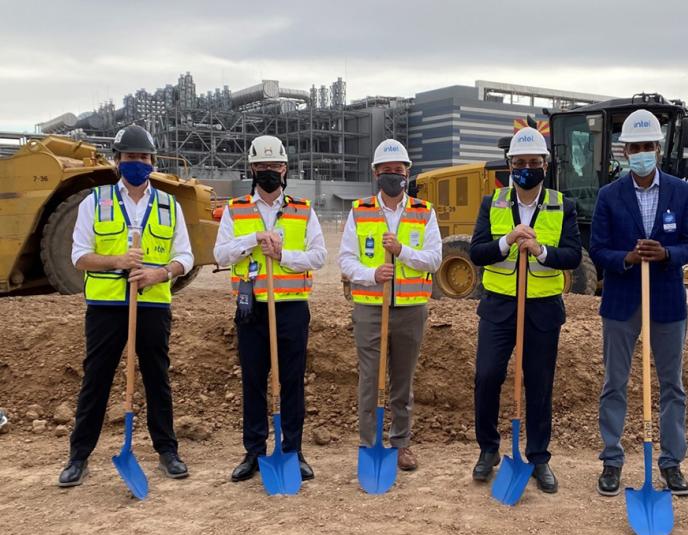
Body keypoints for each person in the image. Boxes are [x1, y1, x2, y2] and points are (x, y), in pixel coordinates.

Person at [60, 125, 193, 487]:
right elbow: (79, 256)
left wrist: (160, 273)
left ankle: (167, 451)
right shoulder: (95, 201)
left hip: (152, 305)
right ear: (117, 161)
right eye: (131, 157)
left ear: (153, 161)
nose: (139, 163)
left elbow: (185, 256)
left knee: (157, 378)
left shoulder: (168, 205)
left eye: (144, 157)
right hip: (106, 306)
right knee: (96, 379)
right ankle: (78, 456)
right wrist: (118, 260)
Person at [589, 109, 688, 497]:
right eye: (634, 148)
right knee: (614, 383)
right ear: (624, 152)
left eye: (647, 146)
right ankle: (612, 460)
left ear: (658, 148)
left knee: (672, 385)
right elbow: (597, 249)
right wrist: (628, 258)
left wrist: (666, 254)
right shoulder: (609, 196)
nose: (641, 153)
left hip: (667, 301)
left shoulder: (681, 192)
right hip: (622, 301)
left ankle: (671, 463)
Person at [469, 127, 582, 494]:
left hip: (543, 309)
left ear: (545, 166)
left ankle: (538, 457)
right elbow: (477, 252)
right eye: (520, 163)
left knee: (539, 383)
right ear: (510, 166)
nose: (527, 168)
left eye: (534, 162)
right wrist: (507, 241)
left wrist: (541, 252)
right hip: (499, 307)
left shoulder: (563, 205)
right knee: (487, 376)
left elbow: (573, 256)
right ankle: (488, 449)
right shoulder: (493, 203)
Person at [214, 135, 326, 483]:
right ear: (252, 169)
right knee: (253, 380)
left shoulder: (303, 210)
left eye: (274, 166)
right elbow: (220, 254)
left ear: (284, 169)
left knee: (292, 381)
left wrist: (282, 255)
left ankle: (292, 450)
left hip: (291, 308)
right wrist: (253, 240)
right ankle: (254, 451)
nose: (268, 172)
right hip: (251, 309)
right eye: (261, 166)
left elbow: (319, 256)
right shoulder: (235, 209)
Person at [338, 139, 442, 471]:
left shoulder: (424, 212)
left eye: (398, 170)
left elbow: (434, 259)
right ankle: (370, 444)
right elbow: (345, 260)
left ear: (407, 173)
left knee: (402, 381)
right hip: (370, 308)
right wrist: (372, 274)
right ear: (376, 174)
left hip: (411, 309)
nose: (393, 175)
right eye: (386, 170)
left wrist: (401, 252)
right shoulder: (360, 211)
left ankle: (400, 443)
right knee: (370, 380)